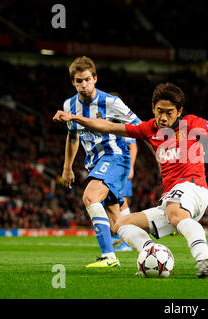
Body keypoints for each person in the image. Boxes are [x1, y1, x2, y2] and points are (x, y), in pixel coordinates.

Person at [54, 82, 208, 277]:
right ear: (153, 108)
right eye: (159, 111)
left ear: (179, 111)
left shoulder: (191, 124)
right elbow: (110, 126)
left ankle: (203, 259)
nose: (163, 117)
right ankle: (151, 252)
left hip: (193, 188)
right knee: (120, 224)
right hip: (172, 198)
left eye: (169, 112)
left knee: (174, 212)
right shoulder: (148, 129)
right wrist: (75, 117)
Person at [60, 56, 141, 267]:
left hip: (116, 157)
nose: (84, 85)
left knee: (90, 196)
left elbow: (140, 127)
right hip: (95, 164)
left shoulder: (111, 102)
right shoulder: (69, 105)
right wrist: (67, 167)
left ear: (95, 78)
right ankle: (153, 249)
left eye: (87, 79)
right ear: (73, 82)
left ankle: (108, 257)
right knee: (117, 224)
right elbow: (73, 137)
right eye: (79, 81)